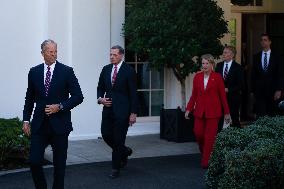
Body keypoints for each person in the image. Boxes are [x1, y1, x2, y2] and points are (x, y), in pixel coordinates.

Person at [22, 39, 84, 189]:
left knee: (59, 166)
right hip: (39, 125)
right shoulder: (34, 72)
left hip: (60, 125)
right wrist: (25, 120)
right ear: (42, 53)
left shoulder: (67, 71)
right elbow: (29, 98)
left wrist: (61, 106)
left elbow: (78, 96)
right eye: (50, 52)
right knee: (34, 161)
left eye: (55, 51)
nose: (54, 54)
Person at [97, 45, 138, 178]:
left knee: (119, 139)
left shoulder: (129, 71)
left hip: (123, 111)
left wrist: (133, 113)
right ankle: (124, 151)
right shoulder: (106, 69)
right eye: (110, 55)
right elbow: (100, 87)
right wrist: (100, 99)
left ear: (121, 55)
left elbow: (133, 94)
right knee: (106, 134)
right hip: (108, 110)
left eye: (114, 55)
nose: (111, 57)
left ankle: (115, 168)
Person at [185, 54, 231, 169]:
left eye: (207, 63)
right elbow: (194, 95)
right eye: (203, 63)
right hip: (199, 112)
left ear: (212, 64)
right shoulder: (197, 77)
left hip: (214, 113)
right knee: (198, 133)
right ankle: (205, 151)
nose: (204, 66)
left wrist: (227, 113)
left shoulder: (218, 77)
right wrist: (188, 109)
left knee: (210, 137)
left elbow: (222, 97)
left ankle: (206, 162)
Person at [251, 33, 283, 117]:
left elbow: (280, 73)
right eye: (261, 40)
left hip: (273, 90)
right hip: (259, 91)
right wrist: (252, 90)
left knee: (272, 113)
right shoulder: (256, 57)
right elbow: (253, 74)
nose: (263, 42)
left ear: (270, 42)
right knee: (260, 114)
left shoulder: (277, 56)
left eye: (265, 40)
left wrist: (279, 89)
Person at [215, 46, 244, 128]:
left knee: (234, 118)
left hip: (233, 97)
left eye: (226, 52)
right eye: (223, 52)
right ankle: (219, 137)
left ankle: (237, 137)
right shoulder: (219, 65)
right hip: (220, 97)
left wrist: (229, 89)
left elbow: (241, 85)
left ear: (232, 55)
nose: (223, 54)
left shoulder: (238, 67)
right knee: (219, 118)